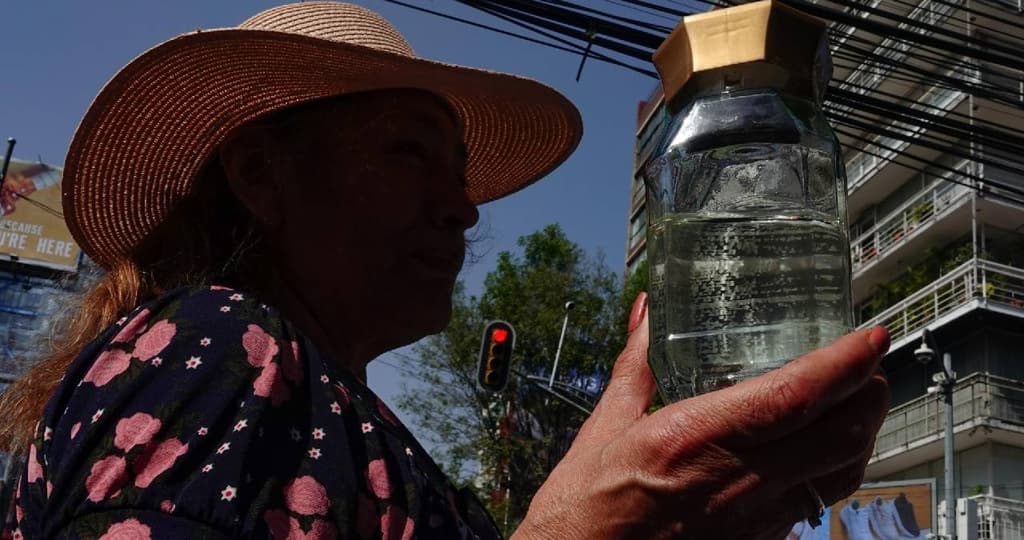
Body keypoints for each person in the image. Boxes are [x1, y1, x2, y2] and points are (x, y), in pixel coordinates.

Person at [0, 2, 891, 539]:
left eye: (459, 172)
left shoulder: (313, 404)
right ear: (262, 174)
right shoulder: (218, 355)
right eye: (409, 153)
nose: (461, 207)